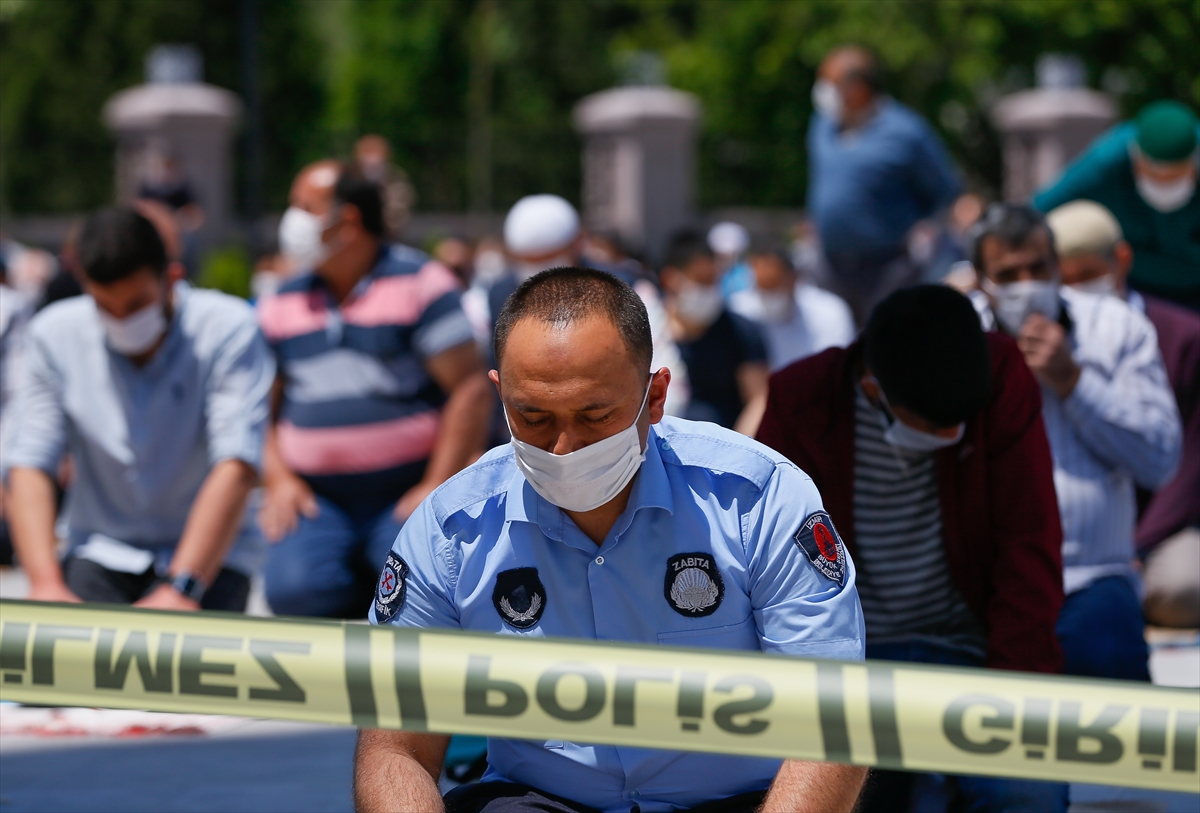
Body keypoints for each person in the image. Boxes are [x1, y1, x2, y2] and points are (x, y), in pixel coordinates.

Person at [355, 267, 867, 813]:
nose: (562, 447)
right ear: (501, 395)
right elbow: (395, 745)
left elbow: (833, 721)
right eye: (532, 417)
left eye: (594, 416)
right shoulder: (451, 530)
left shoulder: (757, 499)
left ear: (655, 396)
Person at [758, 285, 1067, 813]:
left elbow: (1029, 543)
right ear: (874, 389)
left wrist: (1016, 698)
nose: (953, 433)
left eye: (960, 424)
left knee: (1025, 792)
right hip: (852, 666)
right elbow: (768, 562)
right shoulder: (802, 400)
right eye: (934, 424)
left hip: (972, 651)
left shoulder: (1001, 374)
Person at [2, 207, 273, 610]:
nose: (121, 319)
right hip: (100, 550)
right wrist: (44, 583)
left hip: (211, 557)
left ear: (172, 278)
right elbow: (29, 462)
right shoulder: (53, 334)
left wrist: (183, 587)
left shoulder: (228, 328)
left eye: (135, 304)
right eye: (104, 306)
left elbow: (236, 462)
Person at [257, 161, 492, 618]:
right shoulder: (281, 300)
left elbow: (469, 389)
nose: (291, 219)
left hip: (405, 488)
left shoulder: (421, 285)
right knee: (293, 590)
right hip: (316, 498)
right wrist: (279, 479)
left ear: (347, 221)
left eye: (304, 206)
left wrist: (435, 483)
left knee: (416, 592)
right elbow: (259, 405)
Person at [967, 203, 1181, 680]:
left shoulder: (1116, 327)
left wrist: (1074, 383)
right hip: (990, 589)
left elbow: (1160, 459)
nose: (1026, 284)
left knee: (1124, 740)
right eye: (1008, 274)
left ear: (1056, 264)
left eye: (1038, 268)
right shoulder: (958, 337)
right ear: (981, 281)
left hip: (1094, 581)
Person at [1046, 200, 1200, 629]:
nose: (1076, 289)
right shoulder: (1044, 340)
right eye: (1065, 278)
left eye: (1088, 275)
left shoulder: (1184, 336)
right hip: (1078, 534)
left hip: (1163, 522)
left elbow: (1186, 462)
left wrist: (1137, 546)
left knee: (1183, 588)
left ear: (1122, 260)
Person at [464, 194, 689, 419]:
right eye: (528, 260)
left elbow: (668, 377)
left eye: (549, 257)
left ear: (578, 243)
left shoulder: (629, 289)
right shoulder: (490, 297)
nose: (539, 269)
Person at [807, 46, 961, 325]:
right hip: (829, 266)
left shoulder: (906, 131)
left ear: (859, 86)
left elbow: (944, 190)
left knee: (886, 352)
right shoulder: (822, 126)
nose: (821, 90)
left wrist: (925, 229)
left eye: (829, 82)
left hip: (888, 269)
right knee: (836, 358)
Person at [1034, 100, 1200, 311]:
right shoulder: (1107, 161)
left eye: (1175, 176)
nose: (1165, 183)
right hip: (1135, 294)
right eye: (1155, 174)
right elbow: (1036, 212)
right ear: (1136, 157)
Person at [661, 230, 768, 434]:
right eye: (701, 280)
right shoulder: (649, 330)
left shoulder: (740, 331)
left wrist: (740, 448)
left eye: (714, 280)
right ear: (670, 279)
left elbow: (759, 398)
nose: (709, 289)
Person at [729, 242, 855, 371]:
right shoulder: (737, 312)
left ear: (793, 279)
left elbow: (838, 367)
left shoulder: (829, 310)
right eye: (762, 288)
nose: (769, 295)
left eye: (774, 285)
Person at [352, 134, 416, 241]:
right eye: (367, 152)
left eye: (375, 152)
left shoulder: (395, 177)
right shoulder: (349, 177)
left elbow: (400, 206)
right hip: (354, 235)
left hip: (387, 234)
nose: (371, 157)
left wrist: (385, 226)